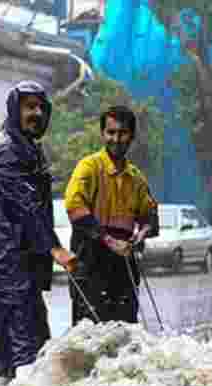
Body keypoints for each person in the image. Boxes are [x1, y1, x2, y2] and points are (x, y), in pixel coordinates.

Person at [0, 81, 77, 383]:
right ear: (14, 110)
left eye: (42, 107)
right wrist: (55, 248)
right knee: (26, 356)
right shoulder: (5, 151)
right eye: (29, 106)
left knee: (23, 353)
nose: (37, 113)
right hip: (3, 267)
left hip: (19, 267)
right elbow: (24, 205)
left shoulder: (28, 149)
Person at [64, 105, 158, 325]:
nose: (116, 139)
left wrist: (142, 233)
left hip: (124, 265)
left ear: (131, 136)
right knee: (89, 337)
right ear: (102, 134)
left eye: (123, 133)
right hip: (90, 261)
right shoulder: (88, 167)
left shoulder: (137, 178)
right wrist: (108, 240)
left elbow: (150, 215)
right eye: (111, 132)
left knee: (126, 335)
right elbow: (74, 206)